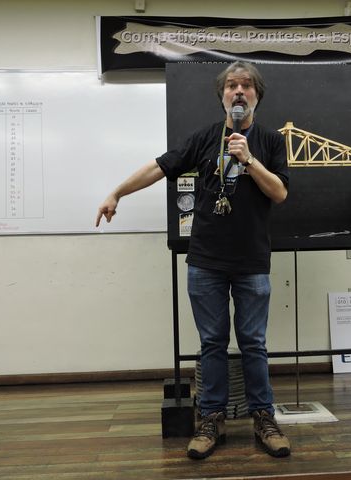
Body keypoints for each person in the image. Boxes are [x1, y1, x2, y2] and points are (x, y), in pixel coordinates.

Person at [95, 61, 290, 459]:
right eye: (231, 86)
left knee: (253, 343)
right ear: (222, 96)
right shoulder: (203, 138)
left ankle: (264, 419)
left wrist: (249, 159)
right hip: (206, 260)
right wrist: (117, 192)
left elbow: (280, 193)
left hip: (252, 260)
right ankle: (211, 419)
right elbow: (158, 167)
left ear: (257, 96)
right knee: (212, 343)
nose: (239, 91)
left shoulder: (270, 141)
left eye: (246, 86)